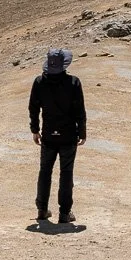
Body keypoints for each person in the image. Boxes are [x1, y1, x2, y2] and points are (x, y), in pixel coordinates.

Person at [29, 48, 86, 225]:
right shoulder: (73, 82)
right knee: (66, 173)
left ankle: (42, 209)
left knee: (45, 171)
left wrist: (35, 129)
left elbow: (33, 108)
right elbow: (80, 111)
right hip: (69, 135)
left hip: (48, 135)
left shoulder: (39, 82)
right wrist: (82, 132)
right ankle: (64, 213)